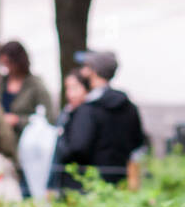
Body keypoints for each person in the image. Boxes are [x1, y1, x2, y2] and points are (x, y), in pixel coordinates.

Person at [59, 50, 145, 189]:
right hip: (119, 181)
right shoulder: (128, 106)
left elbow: (78, 147)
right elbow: (138, 142)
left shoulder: (88, 109)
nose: (84, 71)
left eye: (87, 67)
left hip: (89, 184)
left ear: (94, 71)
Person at [0, 40, 54, 137]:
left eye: (9, 62)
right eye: (3, 63)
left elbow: (49, 117)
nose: (7, 67)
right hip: (0, 139)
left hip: (26, 140)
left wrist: (18, 120)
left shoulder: (36, 85)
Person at [50, 71, 89, 194]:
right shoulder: (66, 113)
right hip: (63, 178)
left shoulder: (88, 113)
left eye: (75, 88)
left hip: (82, 181)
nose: (70, 94)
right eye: (67, 88)